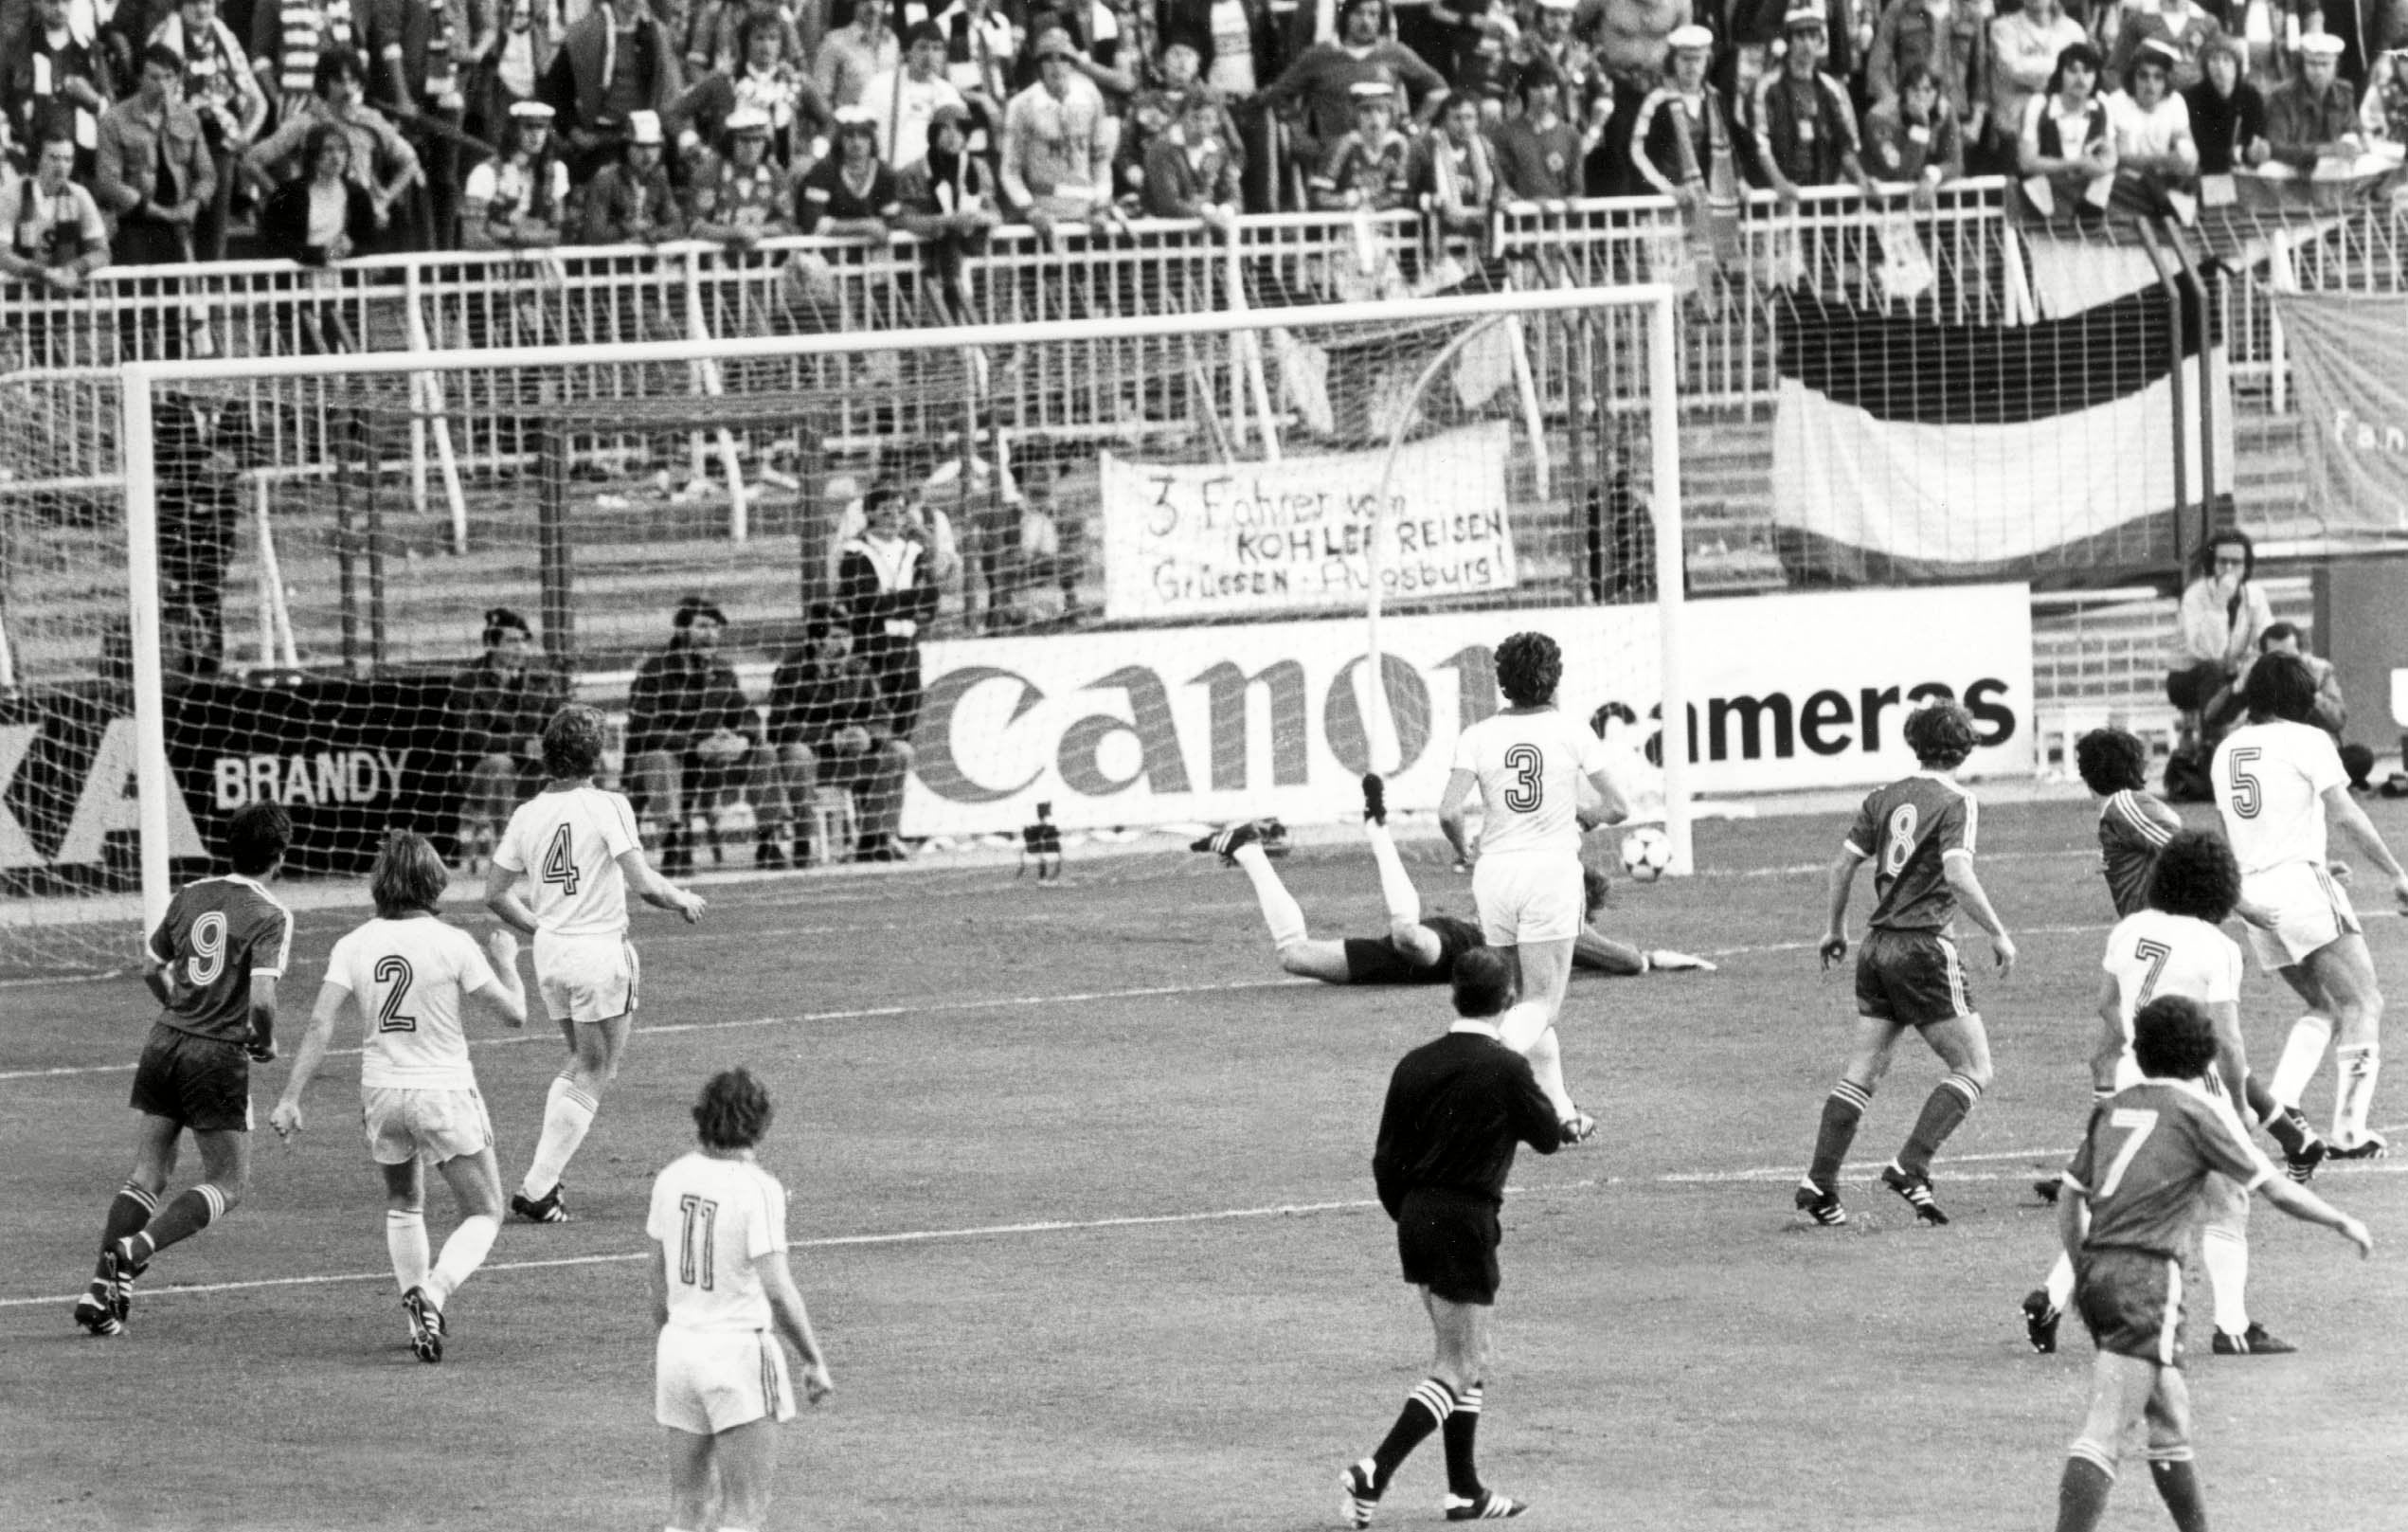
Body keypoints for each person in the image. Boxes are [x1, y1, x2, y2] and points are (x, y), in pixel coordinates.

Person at [2045, 994, 2371, 1532]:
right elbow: (2276, 1192)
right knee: (2104, 1428)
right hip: (2147, 1279)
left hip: (2099, 1271)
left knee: (2169, 1414)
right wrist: (2341, 1221)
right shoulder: (2198, 1113)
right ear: (2205, 1055)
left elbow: (2070, 1195)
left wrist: (2083, 1271)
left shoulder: (2114, 1108)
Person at [2022, 830, 2321, 1360]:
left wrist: (2131, 1047)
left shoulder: (2130, 928)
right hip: (2193, 1082)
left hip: (2136, 1075)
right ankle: (2232, 1326)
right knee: (2229, 1198)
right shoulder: (2218, 947)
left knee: (2121, 1203)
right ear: (2221, 888)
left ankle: (2052, 1294)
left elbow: (2107, 1007)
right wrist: (2240, 1104)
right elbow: (2227, 1041)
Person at [269, 831, 528, 1363]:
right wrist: (507, 961)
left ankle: (416, 1315)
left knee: (404, 1201)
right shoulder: (453, 942)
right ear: (432, 881)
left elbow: (320, 1023)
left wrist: (291, 1097)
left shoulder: (353, 944)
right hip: (442, 1090)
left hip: (381, 1092)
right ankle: (432, 1293)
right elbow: (514, 1014)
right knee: (485, 1210)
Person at [1339, 947, 1561, 1529]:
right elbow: (1547, 1137)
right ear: (1508, 1000)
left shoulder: (1413, 1064)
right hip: (1464, 1220)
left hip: (1416, 1217)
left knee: (1467, 1356)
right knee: (1457, 1364)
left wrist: (1410, 1215)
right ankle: (1375, 1469)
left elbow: (1385, 1160)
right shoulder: (1506, 1067)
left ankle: (1465, 1492)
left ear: (1453, 996)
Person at [73, 803, 295, 1338]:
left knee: (147, 1172)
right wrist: (263, 1042)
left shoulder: (191, 893)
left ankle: (97, 1293)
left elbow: (152, 966)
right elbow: (262, 1001)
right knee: (229, 1181)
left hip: (165, 1040)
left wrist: (178, 1005)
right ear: (280, 856)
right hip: (215, 1055)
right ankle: (134, 1250)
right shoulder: (271, 914)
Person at [485, 704, 706, 1225]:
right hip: (600, 952)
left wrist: (543, 926)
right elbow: (644, 883)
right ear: (597, 755)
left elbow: (494, 894)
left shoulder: (526, 813)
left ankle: (546, 1181)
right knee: (596, 1068)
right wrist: (682, 899)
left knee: (580, 1064)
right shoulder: (608, 805)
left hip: (552, 956)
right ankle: (538, 1188)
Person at [1797, 699, 2014, 1228]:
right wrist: (1999, 932)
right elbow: (1958, 876)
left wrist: (1835, 928)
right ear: (1964, 747)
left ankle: (1819, 1183)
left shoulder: (1882, 797)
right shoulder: (1959, 801)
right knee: (1974, 1067)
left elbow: (1845, 862)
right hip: (1923, 947)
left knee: (1864, 1070)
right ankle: (1910, 1165)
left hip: (1877, 947)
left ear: (1914, 743)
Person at [1195, 770, 1713, 985]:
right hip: (1459, 945)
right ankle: (1378, 829)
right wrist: (1650, 960)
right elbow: (1620, 960)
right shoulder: (1559, 921)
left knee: (1295, 955)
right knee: (1408, 935)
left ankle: (1247, 850)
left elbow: (1606, 956)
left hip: (1430, 966)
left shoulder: (1563, 921)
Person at [2213, 652, 2408, 1160]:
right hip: (2300, 889)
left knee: (2322, 1004)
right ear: (2301, 699)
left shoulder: (2226, 749)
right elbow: (2344, 812)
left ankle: (2285, 1102)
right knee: (2364, 1002)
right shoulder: (2307, 739)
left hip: (2254, 898)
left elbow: (2249, 826)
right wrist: (2396, 872)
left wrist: (2316, 862)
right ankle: (2350, 1131)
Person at [1437, 630, 1630, 1140]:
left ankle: (1562, 1113)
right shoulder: (1573, 732)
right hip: (1549, 872)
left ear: (1502, 683)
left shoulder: (1476, 736)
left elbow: (1449, 811)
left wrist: (1463, 850)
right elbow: (1619, 806)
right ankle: (1470, 1077)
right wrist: (1584, 818)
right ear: (1554, 680)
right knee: (1542, 1003)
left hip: (1494, 874)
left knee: (1521, 1000)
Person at [650, 1068, 834, 1532]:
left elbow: (657, 1283)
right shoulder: (758, 1188)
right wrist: (812, 1358)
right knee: (743, 1512)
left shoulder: (672, 1178)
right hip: (736, 1354)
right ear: (760, 1124)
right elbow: (778, 1288)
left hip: (678, 1350)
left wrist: (678, 1338)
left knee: (686, 1510)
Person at [624, 595, 774, 875]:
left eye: (715, 628)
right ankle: (675, 840)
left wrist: (742, 738)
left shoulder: (723, 671)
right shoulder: (654, 671)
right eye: (703, 627)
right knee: (660, 759)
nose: (711, 635)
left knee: (764, 752)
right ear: (682, 631)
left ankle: (770, 837)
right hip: (670, 763)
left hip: (712, 762)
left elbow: (746, 715)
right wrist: (695, 747)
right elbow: (644, 729)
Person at [763, 606, 916, 865]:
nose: (844, 643)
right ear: (816, 640)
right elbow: (779, 727)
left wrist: (868, 735)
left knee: (900, 751)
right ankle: (804, 841)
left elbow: (884, 719)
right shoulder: (790, 671)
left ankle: (874, 839)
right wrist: (829, 739)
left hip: (853, 757)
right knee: (797, 754)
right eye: (836, 637)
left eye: (847, 636)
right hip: (812, 761)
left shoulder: (860, 670)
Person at [448, 606, 570, 864]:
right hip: (481, 773)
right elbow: (476, 739)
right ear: (491, 644)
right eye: (512, 641)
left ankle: (563, 847)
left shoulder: (539, 681)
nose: (520, 648)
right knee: (500, 764)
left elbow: (558, 723)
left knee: (565, 762)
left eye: (523, 641)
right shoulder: (467, 683)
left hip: (530, 765)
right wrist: (523, 745)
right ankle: (511, 852)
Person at [837, 484, 941, 760]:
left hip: (907, 645)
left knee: (907, 712)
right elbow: (868, 605)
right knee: (873, 715)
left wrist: (893, 601)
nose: (894, 516)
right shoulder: (856, 553)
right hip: (873, 644)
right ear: (870, 513)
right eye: (886, 510)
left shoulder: (914, 550)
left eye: (900, 510)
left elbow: (930, 602)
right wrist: (909, 601)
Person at [94, 44, 216, 265]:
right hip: (134, 223)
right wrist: (160, 212)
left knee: (187, 294)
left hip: (181, 221)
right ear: (140, 78)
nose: (163, 85)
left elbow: (207, 174)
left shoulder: (188, 117)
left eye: (169, 77)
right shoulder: (114, 120)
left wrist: (193, 204)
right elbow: (108, 182)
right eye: (154, 77)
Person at [2213, 622, 2374, 788]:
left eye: (2290, 657)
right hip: (2270, 754)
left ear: (2301, 653)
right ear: (2264, 656)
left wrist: (2310, 691)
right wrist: (2236, 687)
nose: (2284, 664)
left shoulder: (2319, 671)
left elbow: (2338, 721)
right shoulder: (2257, 675)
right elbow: (2213, 717)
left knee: (2360, 757)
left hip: (2310, 754)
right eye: (2277, 657)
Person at [999, 28, 1120, 239]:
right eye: (1048, 59)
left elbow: (1101, 160)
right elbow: (1010, 170)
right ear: (1039, 66)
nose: (1057, 66)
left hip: (1087, 212)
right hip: (1044, 211)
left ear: (1073, 63)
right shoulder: (1021, 105)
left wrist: (1101, 206)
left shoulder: (1090, 97)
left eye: (1064, 58)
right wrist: (1030, 210)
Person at [1748, 1, 1875, 201]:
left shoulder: (1830, 88)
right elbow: (1760, 144)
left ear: (1820, 42)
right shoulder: (1767, 88)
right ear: (1789, 41)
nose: (1807, 44)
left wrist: (1860, 177)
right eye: (1801, 36)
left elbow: (1845, 145)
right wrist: (1779, 183)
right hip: (1780, 198)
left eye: (1813, 36)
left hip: (1819, 196)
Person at [2166, 529, 2271, 742]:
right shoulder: (2195, 596)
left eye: (2236, 562)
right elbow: (2210, 651)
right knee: (2213, 671)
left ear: (2246, 566)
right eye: (2223, 562)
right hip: (2189, 677)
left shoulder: (2255, 595)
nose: (2229, 569)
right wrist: (2220, 601)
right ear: (2212, 564)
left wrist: (2248, 667)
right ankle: (2212, 746)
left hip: (2232, 673)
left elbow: (2265, 640)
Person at [1626, 25, 1737, 207]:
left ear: (1706, 62)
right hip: (1666, 201)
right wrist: (1670, 189)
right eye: (1685, 59)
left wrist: (1738, 180)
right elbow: (1637, 152)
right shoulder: (1657, 101)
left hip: (1705, 200)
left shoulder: (1715, 100)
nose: (1691, 67)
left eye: (1697, 60)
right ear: (1673, 61)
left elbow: (1729, 147)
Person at [0, 131, 110, 295]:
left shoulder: (80, 195)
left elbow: (102, 252)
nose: (61, 166)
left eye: (67, 159)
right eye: (54, 158)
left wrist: (73, 269)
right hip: (20, 295)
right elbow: (2, 254)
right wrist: (44, 273)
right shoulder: (11, 195)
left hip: (66, 292)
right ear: (38, 159)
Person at [2019, 41, 2117, 221]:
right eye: (2073, 70)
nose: (2080, 78)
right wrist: (2076, 164)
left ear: (2096, 76)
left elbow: (2112, 157)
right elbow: (2026, 162)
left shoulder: (2103, 103)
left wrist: (2102, 166)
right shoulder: (2040, 104)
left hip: (2087, 189)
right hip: (2047, 188)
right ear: (2060, 74)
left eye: (2087, 71)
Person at [259, 121, 380, 265]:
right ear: (313, 155)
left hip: (345, 280)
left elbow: (370, 243)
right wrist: (318, 254)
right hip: (297, 279)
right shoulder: (288, 193)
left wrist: (351, 248)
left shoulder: (358, 195)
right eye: (328, 150)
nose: (336, 158)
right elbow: (275, 243)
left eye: (342, 150)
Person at [461, 98, 570, 249]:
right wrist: (519, 243)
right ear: (513, 130)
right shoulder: (485, 173)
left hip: (543, 266)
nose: (536, 135)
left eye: (542, 128)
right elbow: (472, 238)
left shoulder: (555, 171)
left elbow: (556, 234)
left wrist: (509, 234)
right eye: (529, 127)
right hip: (496, 265)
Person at [2108, 40, 2198, 213]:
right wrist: (2164, 160)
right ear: (2132, 77)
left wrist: (2185, 158)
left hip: (2163, 179)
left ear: (2166, 81)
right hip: (2128, 182)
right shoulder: (2118, 101)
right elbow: (2124, 158)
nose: (2150, 84)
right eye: (2143, 76)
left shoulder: (2175, 101)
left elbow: (2188, 149)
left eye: (2158, 77)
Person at [692, 105, 797, 245]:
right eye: (744, 141)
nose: (752, 148)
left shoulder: (775, 173)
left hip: (765, 262)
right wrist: (735, 233)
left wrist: (759, 230)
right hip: (715, 262)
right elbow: (696, 226)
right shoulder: (709, 172)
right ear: (730, 142)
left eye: (758, 140)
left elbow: (789, 224)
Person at [578, 106, 684, 242]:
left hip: (644, 260)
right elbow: (592, 234)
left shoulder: (660, 177)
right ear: (626, 148)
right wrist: (625, 228)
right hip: (609, 260)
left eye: (654, 147)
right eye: (640, 147)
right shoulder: (605, 179)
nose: (648, 155)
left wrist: (651, 235)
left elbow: (678, 226)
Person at [794, 104, 900, 237]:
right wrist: (863, 227)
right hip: (825, 253)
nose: (857, 143)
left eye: (863, 136)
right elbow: (811, 222)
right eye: (850, 136)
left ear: (872, 140)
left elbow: (893, 221)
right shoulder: (824, 170)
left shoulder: (884, 173)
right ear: (839, 139)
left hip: (871, 253)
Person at [1309, 75, 1414, 208]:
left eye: (1381, 111)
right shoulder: (1344, 145)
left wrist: (1373, 206)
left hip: (1381, 219)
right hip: (1346, 220)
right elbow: (1319, 198)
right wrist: (1348, 200)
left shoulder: (1397, 145)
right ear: (1355, 116)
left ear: (1390, 115)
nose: (1375, 118)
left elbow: (1398, 194)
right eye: (1366, 111)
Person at [2263, 32, 2363, 171]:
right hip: (2293, 167)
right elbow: (2275, 147)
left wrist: (2354, 143)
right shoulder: (2282, 96)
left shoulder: (2344, 93)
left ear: (2336, 66)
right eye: (2312, 64)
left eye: (2325, 64)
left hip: (2331, 167)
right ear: (2302, 65)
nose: (2319, 71)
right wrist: (2324, 150)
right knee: (2270, 169)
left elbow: (2354, 130)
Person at [2183, 36, 2267, 174]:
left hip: (2243, 169)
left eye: (2226, 60)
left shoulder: (2250, 96)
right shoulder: (2192, 97)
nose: (2220, 67)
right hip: (2205, 169)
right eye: (2214, 59)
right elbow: (2199, 145)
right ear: (2206, 66)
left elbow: (2255, 137)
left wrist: (2255, 151)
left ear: (2237, 66)